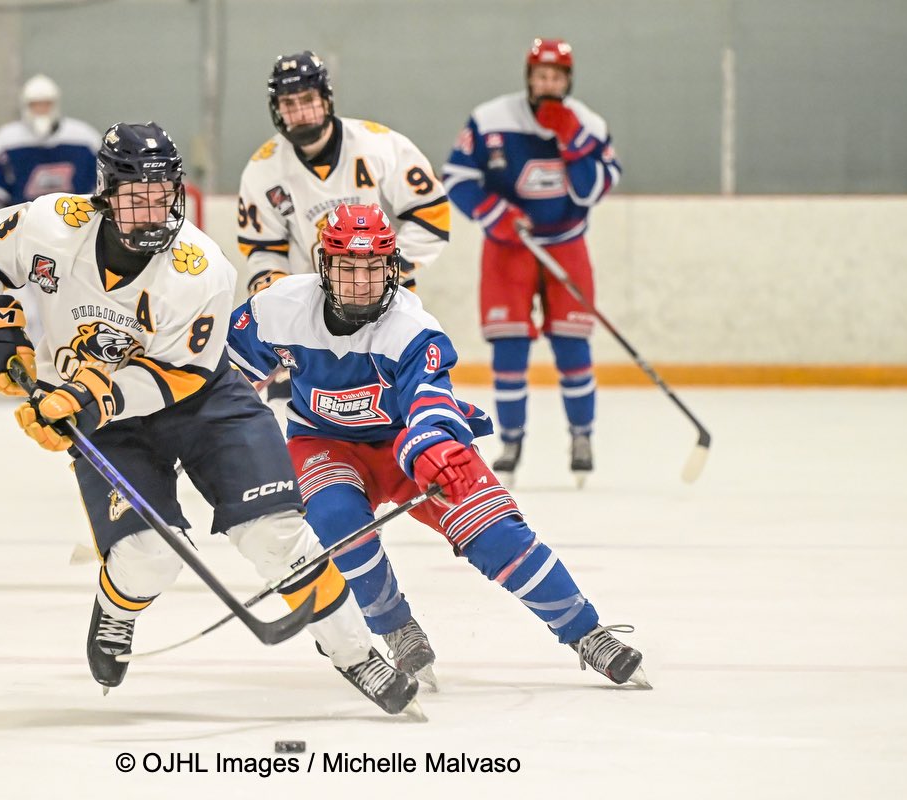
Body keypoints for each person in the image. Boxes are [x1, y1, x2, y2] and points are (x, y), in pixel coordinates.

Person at [0, 122, 420, 716]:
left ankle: (357, 655)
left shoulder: (200, 269)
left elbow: (182, 376)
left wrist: (90, 397)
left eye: (162, 193)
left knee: (276, 537)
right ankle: (118, 609)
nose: (152, 210)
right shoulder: (52, 225)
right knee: (149, 556)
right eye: (135, 195)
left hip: (203, 402)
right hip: (109, 418)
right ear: (105, 193)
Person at [226, 203, 647, 689]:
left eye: (371, 269)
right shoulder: (278, 307)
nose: (360, 282)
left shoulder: (411, 326)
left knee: (493, 531)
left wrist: (435, 450)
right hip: (323, 442)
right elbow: (227, 380)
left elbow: (430, 400)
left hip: (406, 445)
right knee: (338, 523)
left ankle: (585, 631)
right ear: (324, 266)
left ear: (392, 269)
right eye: (347, 268)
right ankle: (396, 629)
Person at [442, 38, 621, 484]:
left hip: (566, 244)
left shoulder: (590, 125)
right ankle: (511, 441)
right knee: (509, 348)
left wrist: (573, 140)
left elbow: (593, 190)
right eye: (541, 76)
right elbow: (458, 177)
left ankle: (582, 436)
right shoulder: (490, 119)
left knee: (573, 345)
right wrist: (494, 213)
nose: (548, 84)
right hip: (508, 248)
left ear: (568, 80)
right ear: (528, 76)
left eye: (556, 77)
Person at [237, 50, 451, 402]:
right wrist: (281, 301)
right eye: (290, 104)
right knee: (306, 414)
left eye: (308, 100)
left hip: (384, 307)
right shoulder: (264, 169)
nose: (301, 112)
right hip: (308, 320)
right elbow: (262, 250)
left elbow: (432, 215)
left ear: (327, 99)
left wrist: (384, 270)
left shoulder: (379, 145)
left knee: (394, 408)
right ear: (277, 110)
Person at [0, 75, 102, 344]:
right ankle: (36, 372)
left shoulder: (85, 139)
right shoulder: (5, 142)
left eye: (46, 104)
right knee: (28, 312)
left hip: (72, 241)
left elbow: (100, 195)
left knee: (74, 308)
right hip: (23, 241)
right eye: (35, 105)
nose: (41, 111)